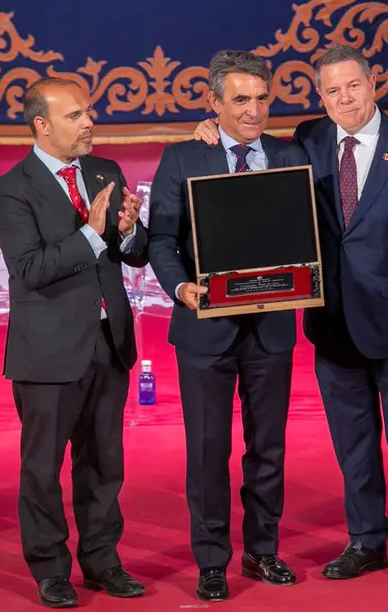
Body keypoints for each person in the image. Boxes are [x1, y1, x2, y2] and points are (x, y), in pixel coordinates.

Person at [194, 44, 388, 585]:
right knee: (353, 441)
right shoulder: (309, 141)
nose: (344, 99)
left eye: (353, 86)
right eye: (332, 91)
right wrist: (209, 133)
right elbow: (253, 156)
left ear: (372, 83)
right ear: (321, 96)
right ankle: (365, 538)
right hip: (332, 321)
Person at [147, 50, 307, 602]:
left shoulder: (294, 155)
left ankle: (263, 551)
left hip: (272, 330)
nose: (254, 110)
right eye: (240, 99)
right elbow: (161, 240)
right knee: (208, 448)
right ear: (213, 103)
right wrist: (181, 288)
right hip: (203, 329)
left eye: (262, 98)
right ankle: (211, 560)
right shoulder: (183, 159)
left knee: (269, 447)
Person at [0, 77, 149, 609]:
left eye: (88, 113)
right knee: (42, 468)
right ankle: (51, 570)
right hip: (49, 351)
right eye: (76, 116)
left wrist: (126, 230)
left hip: (108, 341)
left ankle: (103, 561)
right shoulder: (12, 188)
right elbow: (31, 269)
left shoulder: (105, 171)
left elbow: (135, 251)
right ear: (42, 124)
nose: (89, 124)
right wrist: (92, 231)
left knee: (104, 463)